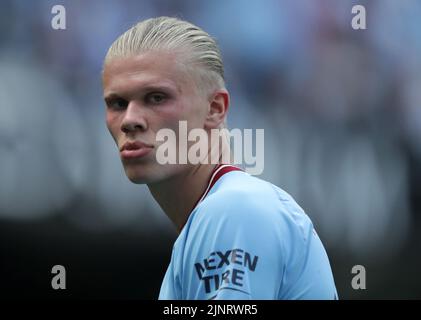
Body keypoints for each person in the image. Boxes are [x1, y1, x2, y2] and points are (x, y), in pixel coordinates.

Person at [102, 16, 338, 300]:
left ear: (215, 108)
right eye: (117, 103)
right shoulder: (217, 216)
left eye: (156, 98)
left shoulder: (234, 209)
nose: (129, 120)